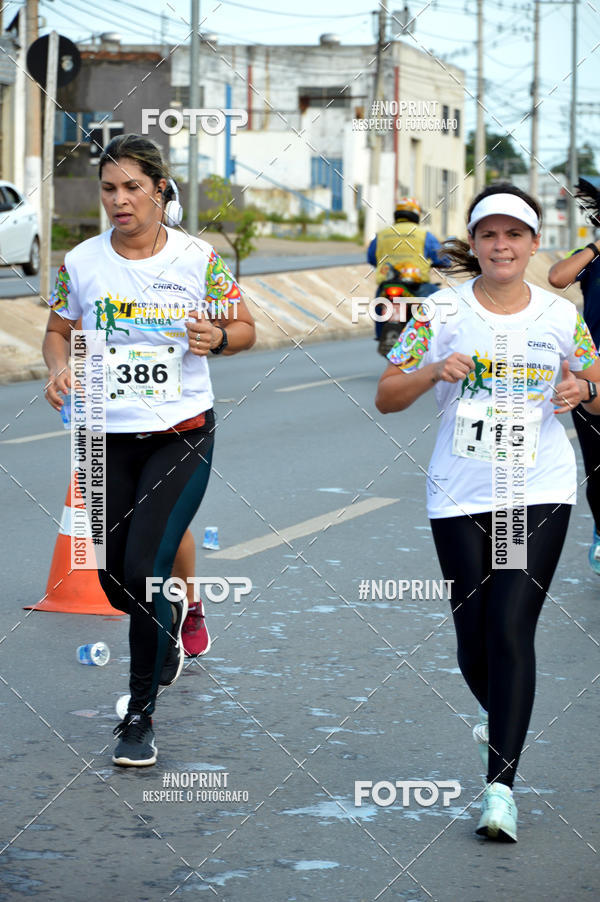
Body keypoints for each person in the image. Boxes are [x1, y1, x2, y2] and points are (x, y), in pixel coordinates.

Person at [375, 182, 600, 843]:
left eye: (514, 234)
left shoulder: (560, 316)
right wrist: (433, 372)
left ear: (534, 244)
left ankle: (501, 787)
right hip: (460, 492)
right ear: (474, 244)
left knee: (508, 626)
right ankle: (499, 722)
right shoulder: (440, 311)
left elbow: (599, 387)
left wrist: (582, 389)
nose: (502, 245)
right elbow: (388, 394)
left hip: (534, 490)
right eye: (489, 234)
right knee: (473, 637)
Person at [42, 133, 255, 766]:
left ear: (161, 190)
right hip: (104, 437)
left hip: (181, 433)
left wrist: (218, 338)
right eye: (109, 188)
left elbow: (246, 328)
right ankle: (168, 626)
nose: (119, 200)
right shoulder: (81, 262)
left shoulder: (197, 259)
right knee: (113, 579)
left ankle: (139, 717)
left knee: (145, 569)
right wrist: (58, 369)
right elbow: (57, 330)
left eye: (133, 187)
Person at [548, 180, 600, 573]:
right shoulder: (591, 258)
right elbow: (557, 278)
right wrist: (597, 247)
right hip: (592, 375)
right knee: (597, 467)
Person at [367, 197, 447, 344]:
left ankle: (380, 335)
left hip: (387, 285)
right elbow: (442, 258)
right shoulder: (424, 235)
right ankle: (436, 338)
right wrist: (443, 263)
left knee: (379, 303)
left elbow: (371, 258)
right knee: (440, 301)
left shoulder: (382, 235)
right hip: (417, 287)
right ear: (416, 215)